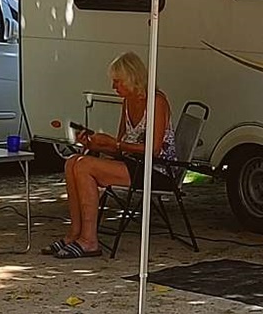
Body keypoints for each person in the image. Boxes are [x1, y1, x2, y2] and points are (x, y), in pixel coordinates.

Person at [49, 52, 175, 258]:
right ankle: (75, 233)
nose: (113, 87)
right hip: (133, 163)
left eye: (118, 82)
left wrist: (115, 143)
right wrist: (95, 143)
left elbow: (154, 149)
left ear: (133, 79)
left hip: (157, 168)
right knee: (72, 162)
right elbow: (120, 147)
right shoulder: (127, 102)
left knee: (83, 166)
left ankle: (89, 240)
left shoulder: (156, 101)